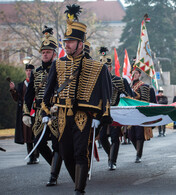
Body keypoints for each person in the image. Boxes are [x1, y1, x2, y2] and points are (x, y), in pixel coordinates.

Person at [41, 4, 112, 194]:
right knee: (66, 153)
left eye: (71, 41)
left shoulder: (97, 67)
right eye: (66, 41)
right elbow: (48, 91)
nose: (67, 44)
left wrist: (102, 115)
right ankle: (78, 183)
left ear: (81, 43)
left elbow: (106, 93)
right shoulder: (58, 65)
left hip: (83, 114)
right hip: (63, 115)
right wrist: (45, 110)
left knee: (81, 152)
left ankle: (79, 190)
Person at [23, 26, 62, 186]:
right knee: (39, 142)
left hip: (56, 112)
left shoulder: (60, 69)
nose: (45, 54)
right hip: (40, 113)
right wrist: (26, 113)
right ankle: (55, 163)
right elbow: (29, 94)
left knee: (58, 144)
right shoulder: (36, 72)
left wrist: (58, 104)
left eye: (48, 52)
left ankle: (53, 175)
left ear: (54, 54)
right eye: (43, 52)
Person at [98, 47, 133, 170]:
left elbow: (131, 96)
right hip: (102, 112)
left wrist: (123, 95)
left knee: (114, 136)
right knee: (102, 137)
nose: (104, 70)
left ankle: (112, 160)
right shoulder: (96, 82)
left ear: (110, 68)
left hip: (116, 112)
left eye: (106, 67)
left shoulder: (119, 81)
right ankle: (110, 155)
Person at [9, 63, 39, 165]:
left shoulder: (37, 83)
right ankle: (31, 156)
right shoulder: (21, 85)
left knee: (35, 134)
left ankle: (36, 154)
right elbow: (17, 98)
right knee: (27, 136)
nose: (29, 72)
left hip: (35, 111)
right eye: (27, 71)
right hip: (25, 113)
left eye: (30, 71)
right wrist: (13, 90)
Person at [129, 68, 156, 163]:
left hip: (140, 114)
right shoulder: (129, 86)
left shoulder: (144, 86)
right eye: (132, 73)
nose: (134, 75)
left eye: (135, 73)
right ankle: (138, 150)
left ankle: (138, 155)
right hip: (130, 114)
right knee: (131, 135)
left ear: (139, 75)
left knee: (139, 135)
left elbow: (144, 100)